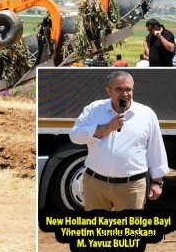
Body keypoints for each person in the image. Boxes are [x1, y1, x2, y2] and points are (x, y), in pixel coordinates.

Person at [70, 71, 168, 211]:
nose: (125, 94)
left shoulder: (146, 114)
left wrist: (158, 182)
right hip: (95, 184)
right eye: (119, 89)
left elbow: (156, 149)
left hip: (132, 187)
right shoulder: (94, 110)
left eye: (128, 89)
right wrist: (106, 128)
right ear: (108, 91)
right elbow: (75, 136)